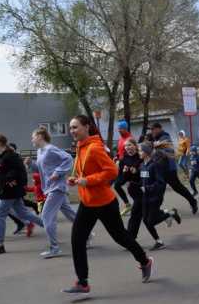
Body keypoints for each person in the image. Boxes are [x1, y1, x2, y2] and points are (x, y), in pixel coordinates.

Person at [62, 115, 154, 294]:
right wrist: (77, 180)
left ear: (87, 127)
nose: (72, 131)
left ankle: (145, 261)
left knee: (121, 237)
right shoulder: (81, 147)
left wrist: (87, 181)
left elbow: (112, 170)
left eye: (75, 127)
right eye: (71, 128)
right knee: (77, 239)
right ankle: (82, 282)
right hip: (88, 202)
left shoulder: (95, 148)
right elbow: (87, 172)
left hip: (104, 202)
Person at [0, 134, 45, 255]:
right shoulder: (0, 157)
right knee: (23, 213)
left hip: (10, 191)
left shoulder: (11, 156)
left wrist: (13, 181)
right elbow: (1, 174)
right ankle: (48, 225)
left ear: (0, 143)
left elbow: (19, 172)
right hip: (7, 190)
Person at [26, 126, 78, 259]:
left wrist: (58, 172)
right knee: (70, 213)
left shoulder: (50, 149)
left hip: (57, 188)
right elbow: (42, 168)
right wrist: (31, 164)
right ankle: (88, 235)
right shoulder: (40, 151)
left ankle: (54, 248)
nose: (31, 139)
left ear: (40, 137)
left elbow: (68, 159)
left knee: (46, 217)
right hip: (49, 188)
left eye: (33, 136)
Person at [138, 141, 181, 250]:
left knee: (151, 221)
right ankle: (159, 242)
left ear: (146, 152)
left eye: (140, 150)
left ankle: (170, 213)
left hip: (155, 198)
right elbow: (142, 181)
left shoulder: (155, 165)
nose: (139, 152)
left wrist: (147, 188)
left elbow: (160, 183)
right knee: (145, 220)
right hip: (145, 198)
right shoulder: (142, 165)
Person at [148, 123, 198, 214]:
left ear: (159, 128)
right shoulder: (155, 138)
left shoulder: (165, 137)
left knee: (178, 187)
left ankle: (193, 201)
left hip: (168, 168)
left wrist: (154, 146)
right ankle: (155, 210)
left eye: (153, 129)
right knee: (159, 189)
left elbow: (166, 151)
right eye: (151, 129)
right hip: (159, 169)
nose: (152, 131)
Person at [114, 119, 133, 216]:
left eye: (120, 129)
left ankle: (131, 205)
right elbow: (120, 151)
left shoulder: (129, 139)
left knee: (120, 186)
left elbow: (131, 154)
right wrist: (116, 157)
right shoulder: (121, 139)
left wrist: (122, 161)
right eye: (118, 129)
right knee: (119, 186)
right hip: (121, 165)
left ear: (125, 129)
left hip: (128, 166)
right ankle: (129, 205)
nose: (119, 130)